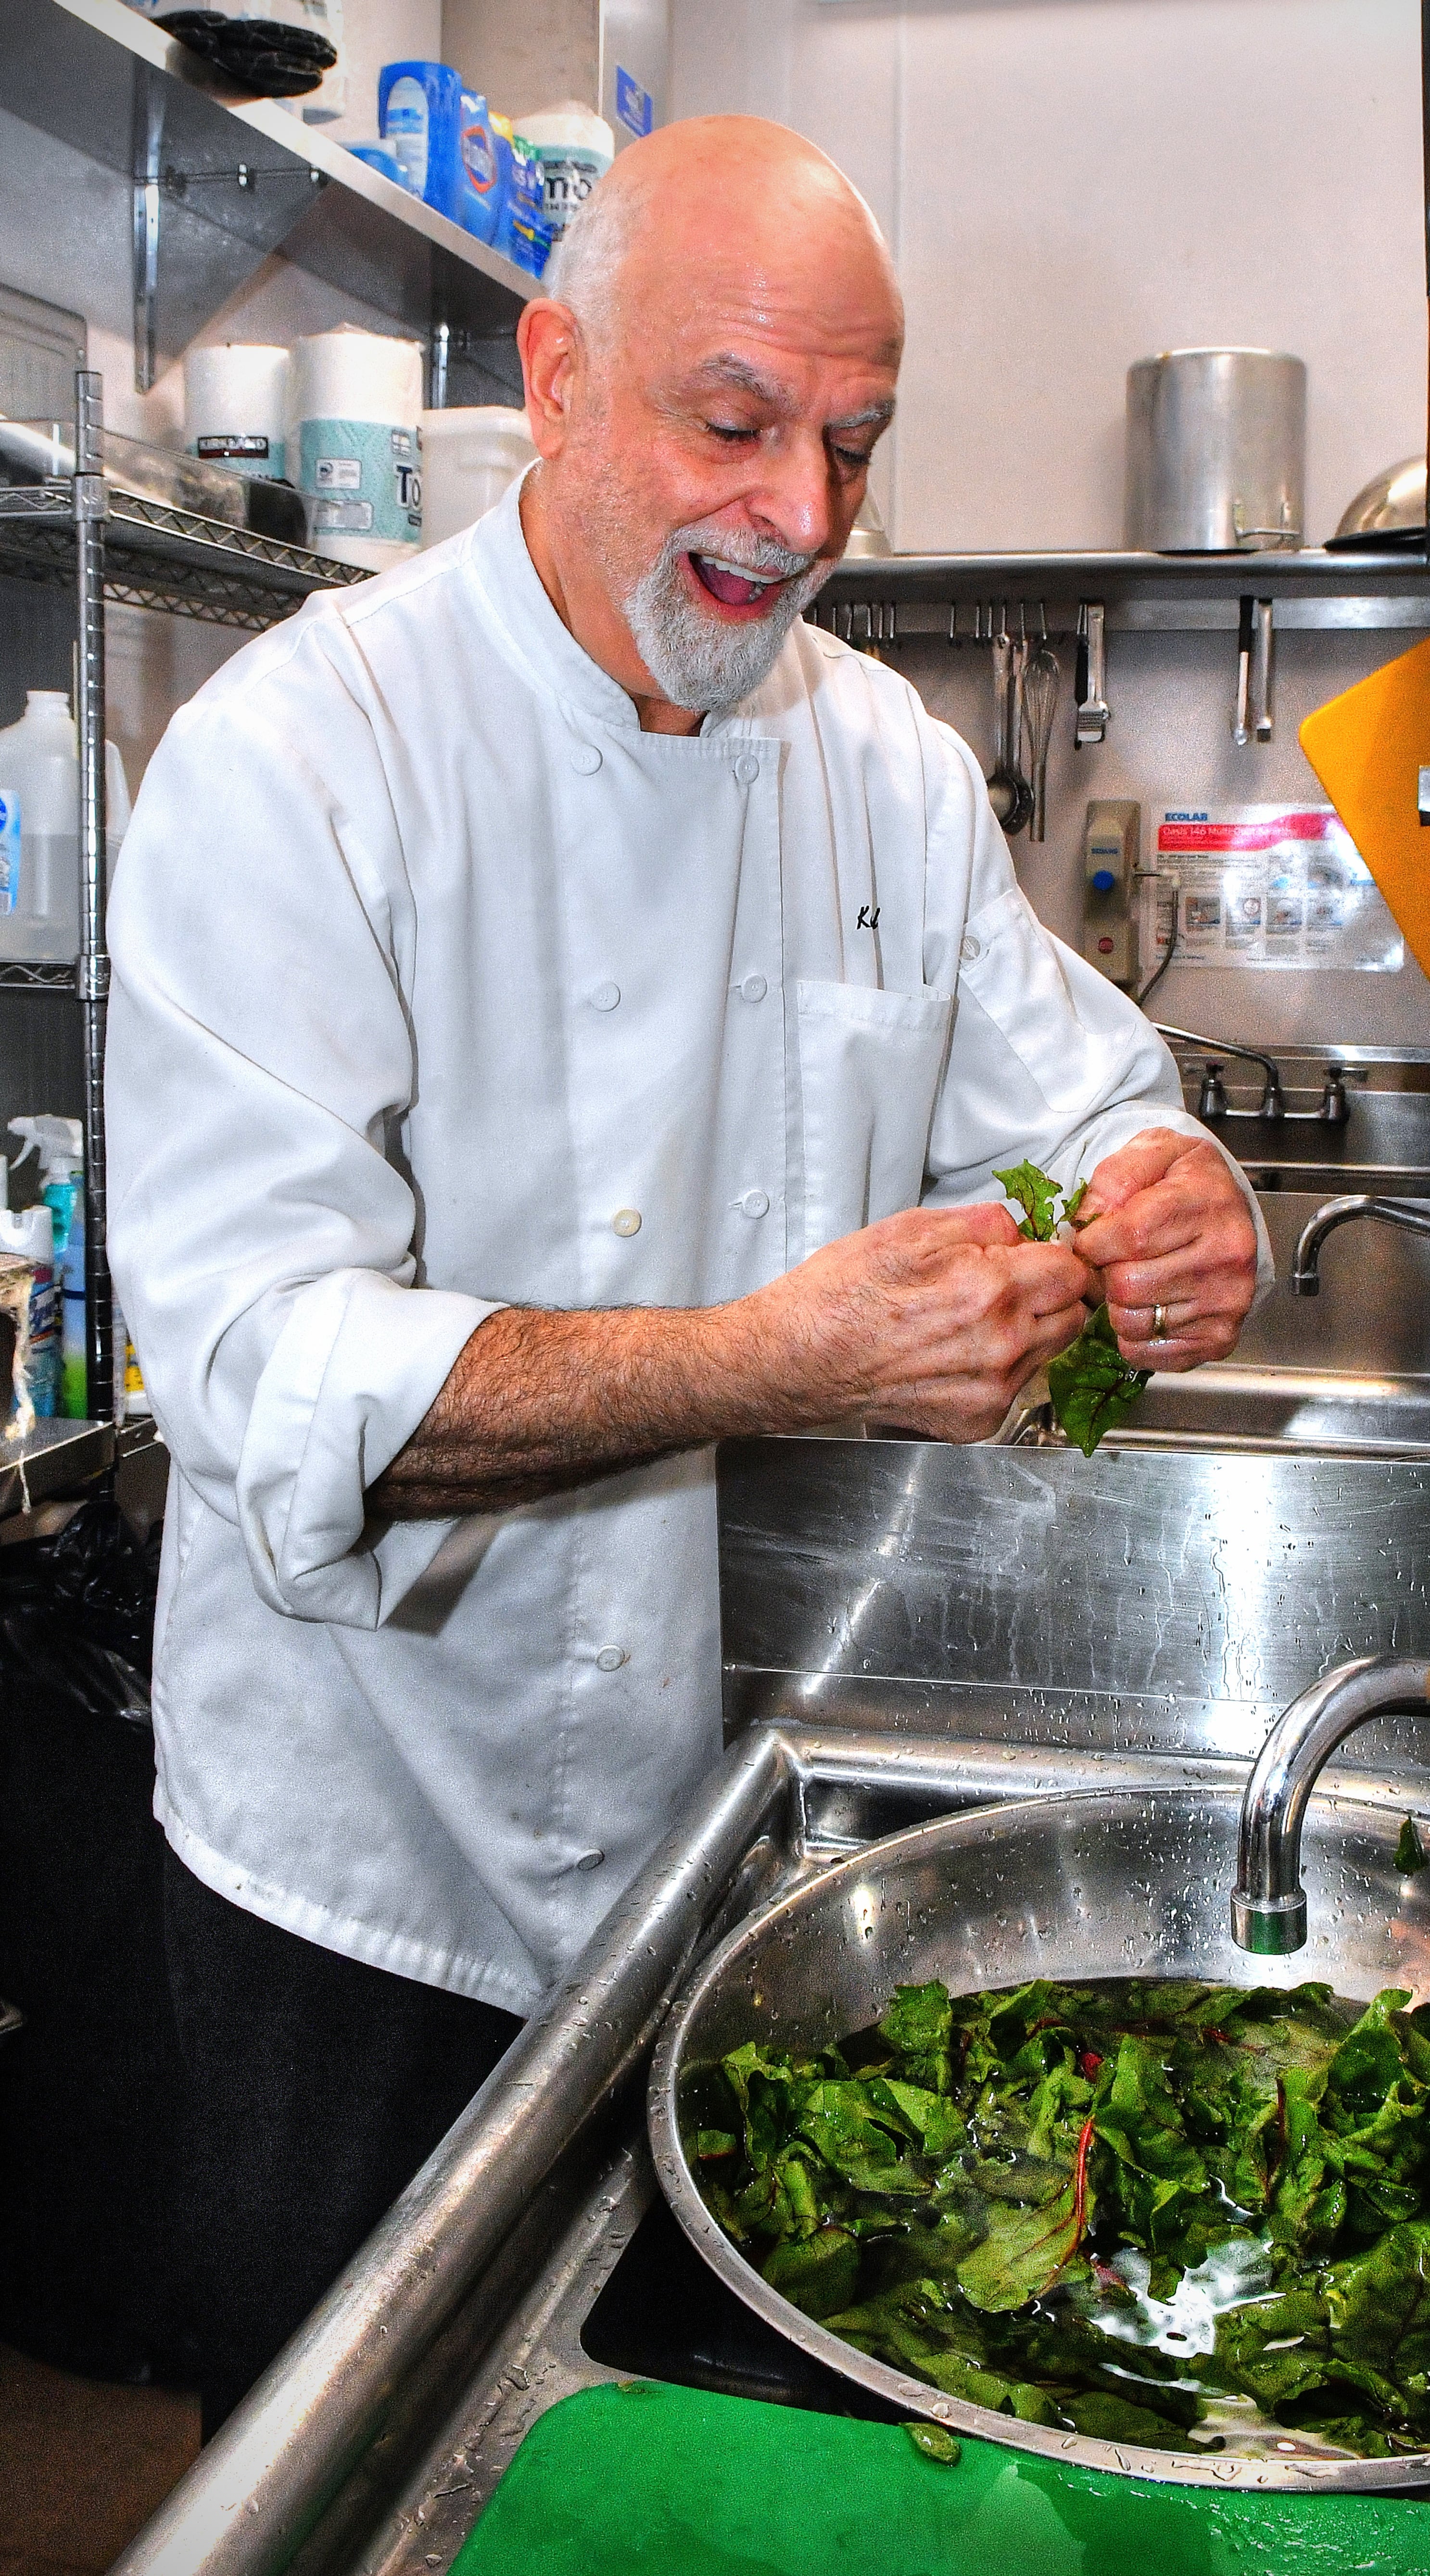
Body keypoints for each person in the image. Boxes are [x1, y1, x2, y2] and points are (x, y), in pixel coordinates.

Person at [105, 114, 1268, 2434]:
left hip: (728, 1845)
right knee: (331, 2461)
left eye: (852, 445)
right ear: (555, 379)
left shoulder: (889, 769)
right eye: (733, 423)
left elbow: (1085, 1094)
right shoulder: (301, 761)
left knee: (670, 2463)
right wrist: (781, 1352)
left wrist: (1172, 1186)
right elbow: (262, 1370)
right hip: (361, 1864)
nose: (804, 518)